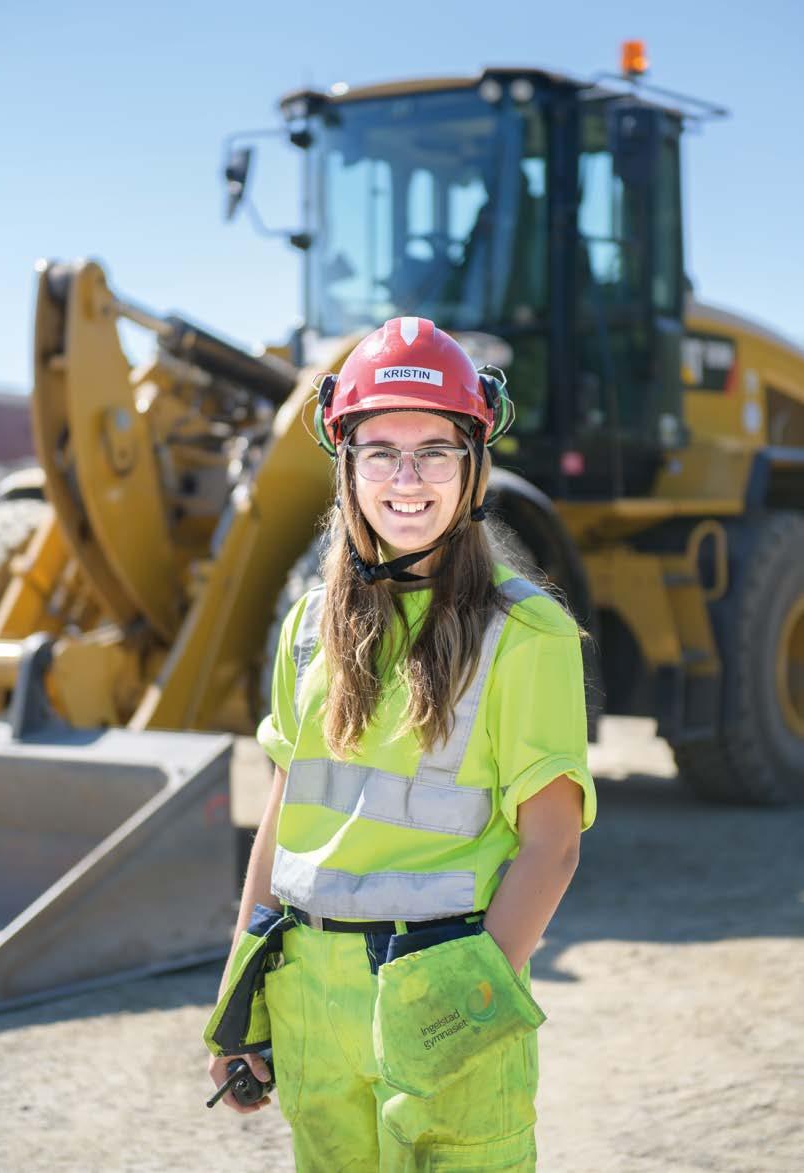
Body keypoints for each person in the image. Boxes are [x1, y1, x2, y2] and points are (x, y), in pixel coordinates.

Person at [205, 317, 597, 1171]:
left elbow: (553, 845)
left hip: (447, 992)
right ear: (344, 464)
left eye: (435, 450)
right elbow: (284, 809)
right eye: (380, 450)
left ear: (474, 465)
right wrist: (245, 990)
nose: (407, 478)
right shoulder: (310, 627)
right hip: (312, 997)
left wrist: (464, 1006)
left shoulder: (526, 632)